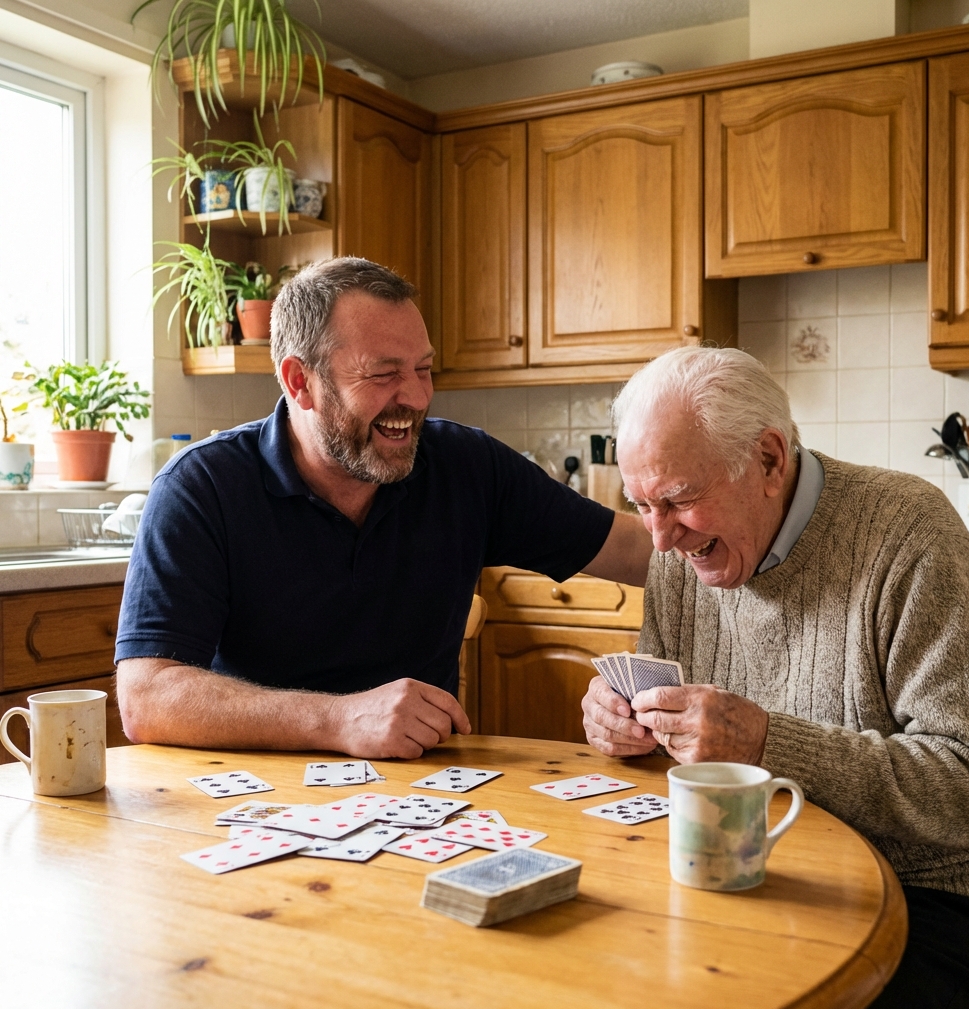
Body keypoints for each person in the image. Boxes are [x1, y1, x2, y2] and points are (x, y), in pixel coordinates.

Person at [581, 345, 969, 1009]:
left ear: (767, 459)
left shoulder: (910, 534)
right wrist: (626, 726)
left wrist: (766, 742)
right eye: (641, 504)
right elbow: (679, 750)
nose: (661, 539)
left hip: (938, 897)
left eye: (677, 500)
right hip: (762, 873)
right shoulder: (680, 558)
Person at [116, 257, 651, 760]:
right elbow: (145, 699)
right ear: (300, 382)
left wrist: (727, 538)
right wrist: (339, 719)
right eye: (384, 374)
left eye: (423, 368)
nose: (417, 397)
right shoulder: (202, 486)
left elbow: (637, 550)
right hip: (249, 803)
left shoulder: (467, 466)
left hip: (424, 797)